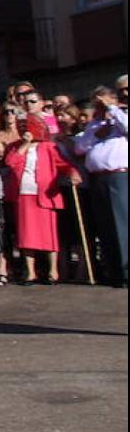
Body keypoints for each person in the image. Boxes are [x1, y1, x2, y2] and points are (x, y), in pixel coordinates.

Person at [2, 113, 78, 284]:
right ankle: (30, 272)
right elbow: (11, 162)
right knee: (26, 235)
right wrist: (25, 144)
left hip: (44, 195)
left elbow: (63, 164)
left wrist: (72, 172)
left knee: (49, 235)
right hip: (23, 194)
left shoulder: (49, 147)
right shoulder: (16, 147)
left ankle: (53, 271)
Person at [68, 87, 128, 287]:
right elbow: (79, 148)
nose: (99, 107)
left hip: (119, 175)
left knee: (122, 224)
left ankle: (126, 270)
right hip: (97, 178)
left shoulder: (122, 118)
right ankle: (114, 271)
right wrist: (96, 135)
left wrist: (113, 108)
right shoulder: (95, 125)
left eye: (102, 102)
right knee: (106, 226)